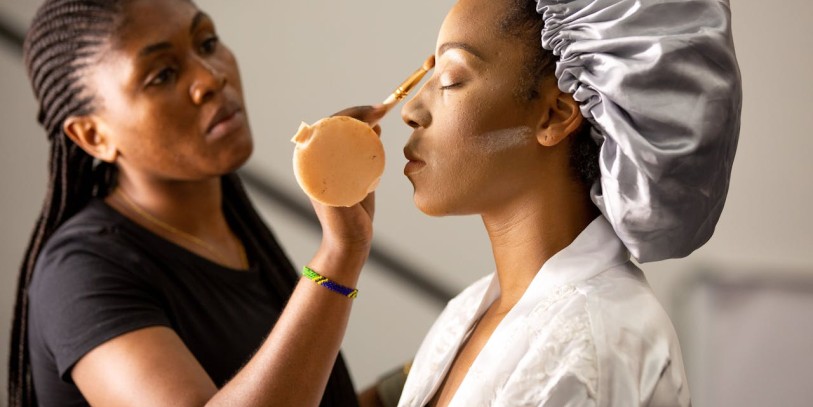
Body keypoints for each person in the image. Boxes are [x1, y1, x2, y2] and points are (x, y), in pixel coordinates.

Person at [8, 0, 387, 405]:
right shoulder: (77, 275)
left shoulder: (231, 227)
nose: (210, 77)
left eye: (206, 43)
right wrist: (339, 255)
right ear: (93, 136)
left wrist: (436, 365)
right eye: (163, 74)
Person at [394, 0, 741, 405]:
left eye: (451, 79)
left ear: (555, 115)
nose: (411, 110)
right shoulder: (465, 313)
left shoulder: (595, 345)